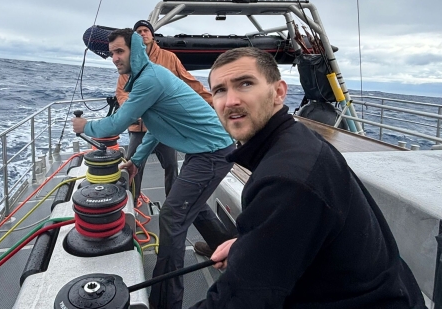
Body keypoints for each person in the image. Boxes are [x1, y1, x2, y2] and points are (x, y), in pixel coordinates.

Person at [190, 47, 426, 309]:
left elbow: (243, 299)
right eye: (220, 90)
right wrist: (247, 245)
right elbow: (293, 231)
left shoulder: (285, 179)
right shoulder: (295, 141)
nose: (230, 100)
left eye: (245, 84)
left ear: (279, 92)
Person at [72, 28, 235, 309]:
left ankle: (165, 301)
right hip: (204, 152)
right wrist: (136, 161)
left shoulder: (149, 79)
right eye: (111, 53)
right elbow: (158, 127)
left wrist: (86, 126)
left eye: (120, 51)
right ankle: (229, 251)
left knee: (172, 217)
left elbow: (117, 123)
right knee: (192, 206)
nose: (114, 58)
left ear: (135, 51)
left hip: (212, 154)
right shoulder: (147, 78)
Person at [116, 20, 212, 203]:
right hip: (138, 128)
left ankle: (172, 200)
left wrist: (213, 102)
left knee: (171, 165)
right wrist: (130, 109)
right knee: (134, 166)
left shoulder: (169, 58)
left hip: (165, 126)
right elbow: (121, 91)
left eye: (146, 30)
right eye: (138, 31)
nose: (143, 33)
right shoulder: (129, 61)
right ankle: (133, 201)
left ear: (152, 35)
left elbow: (189, 81)